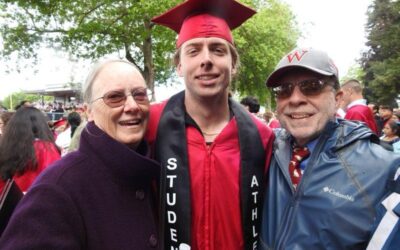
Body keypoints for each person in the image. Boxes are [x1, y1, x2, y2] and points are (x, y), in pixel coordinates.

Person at [149, 1, 274, 249]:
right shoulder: (150, 125)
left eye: (218, 50)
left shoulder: (261, 137)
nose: (206, 60)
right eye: (193, 51)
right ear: (179, 66)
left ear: (233, 65)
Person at [0, 60, 160, 249]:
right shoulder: (56, 188)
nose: (133, 106)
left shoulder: (152, 169)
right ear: (88, 111)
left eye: (140, 95)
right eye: (115, 97)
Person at [260, 47, 400, 249]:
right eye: (284, 89)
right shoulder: (264, 148)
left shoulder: (384, 170)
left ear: (337, 99)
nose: (295, 98)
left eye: (312, 86)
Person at [0, 107, 60, 193]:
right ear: (41, 125)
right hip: (35, 199)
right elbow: (53, 178)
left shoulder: (6, 145)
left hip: (9, 199)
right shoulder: (46, 148)